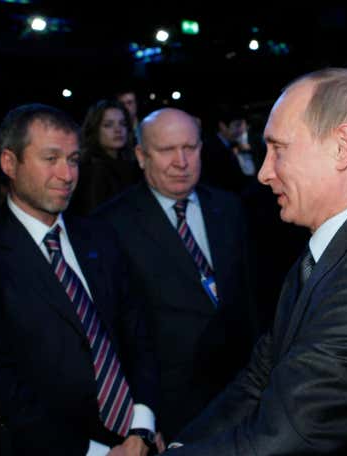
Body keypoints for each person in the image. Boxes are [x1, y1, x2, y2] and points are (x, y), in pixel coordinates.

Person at [166, 68, 347, 455]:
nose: (263, 172)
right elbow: (258, 381)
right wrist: (179, 445)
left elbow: (282, 438)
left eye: (279, 149)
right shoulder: (334, 249)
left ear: (342, 146)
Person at [0, 103, 161, 456]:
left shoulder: (101, 235)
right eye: (51, 159)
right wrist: (95, 452)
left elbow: (137, 333)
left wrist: (143, 424)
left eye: (74, 160)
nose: (67, 174)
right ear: (8, 163)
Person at [95, 108, 258, 440]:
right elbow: (117, 335)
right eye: (167, 150)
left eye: (190, 148)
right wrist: (142, 418)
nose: (181, 161)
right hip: (172, 410)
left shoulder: (229, 207)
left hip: (244, 397)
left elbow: (251, 301)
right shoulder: (110, 226)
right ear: (141, 156)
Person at [68, 99, 141, 215]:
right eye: (108, 125)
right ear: (95, 129)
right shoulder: (93, 170)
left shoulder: (130, 164)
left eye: (123, 124)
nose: (118, 130)